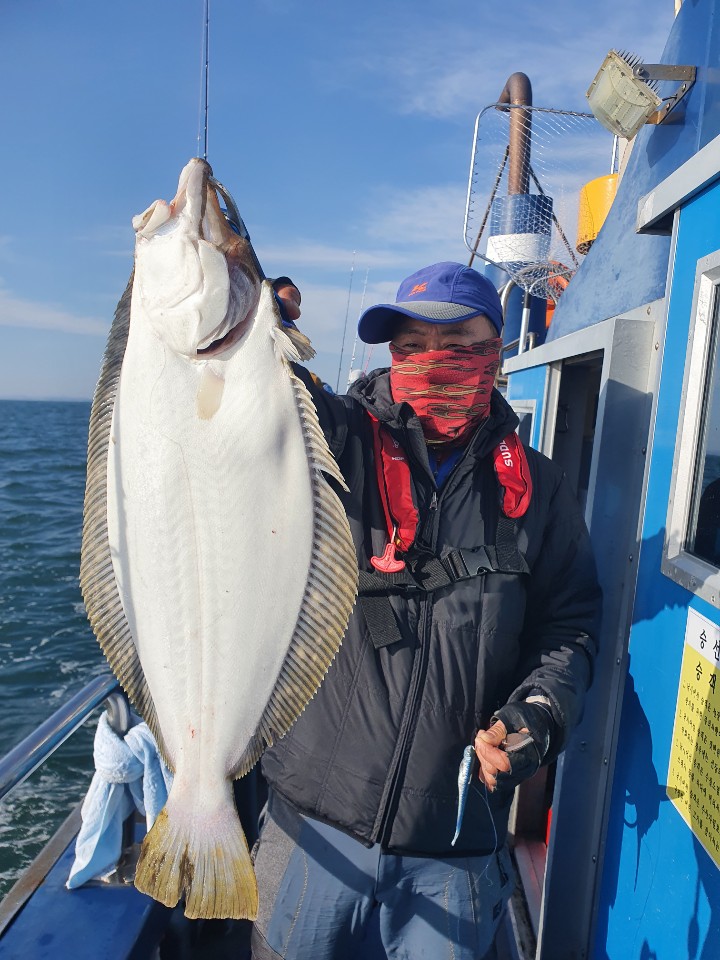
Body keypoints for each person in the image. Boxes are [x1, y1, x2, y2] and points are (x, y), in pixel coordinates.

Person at [251, 261, 601, 960]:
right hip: (312, 821)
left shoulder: (539, 487)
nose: (430, 362)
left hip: (458, 840)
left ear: (494, 352)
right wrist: (252, 321)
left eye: (455, 345)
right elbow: (249, 404)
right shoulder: (335, 438)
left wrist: (537, 715)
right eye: (410, 346)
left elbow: (568, 626)